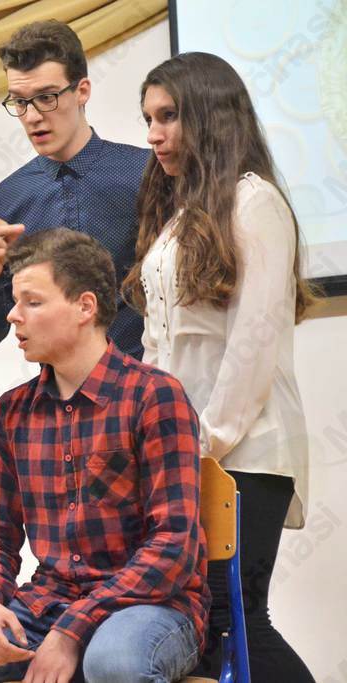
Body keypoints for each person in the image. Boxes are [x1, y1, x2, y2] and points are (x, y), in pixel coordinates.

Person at [0, 228, 208, 683]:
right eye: (14, 302)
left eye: (32, 302)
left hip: (150, 605)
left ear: (85, 307)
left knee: (114, 663)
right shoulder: (12, 412)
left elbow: (173, 545)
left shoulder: (154, 396)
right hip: (49, 602)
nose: (13, 315)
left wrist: (73, 631)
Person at [124, 51, 315, 682]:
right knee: (206, 627)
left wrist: (201, 444)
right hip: (187, 451)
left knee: (239, 620)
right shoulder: (179, 213)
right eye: (148, 119)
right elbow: (159, 344)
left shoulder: (255, 202)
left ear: (209, 116)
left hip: (246, 449)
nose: (153, 135)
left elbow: (253, 344)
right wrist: (153, 438)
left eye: (168, 116)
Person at [0, 20, 148, 358]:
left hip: (145, 381)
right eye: (19, 102)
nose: (32, 116)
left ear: (82, 91)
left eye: (46, 97)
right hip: (54, 388)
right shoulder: (6, 200)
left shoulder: (146, 174)